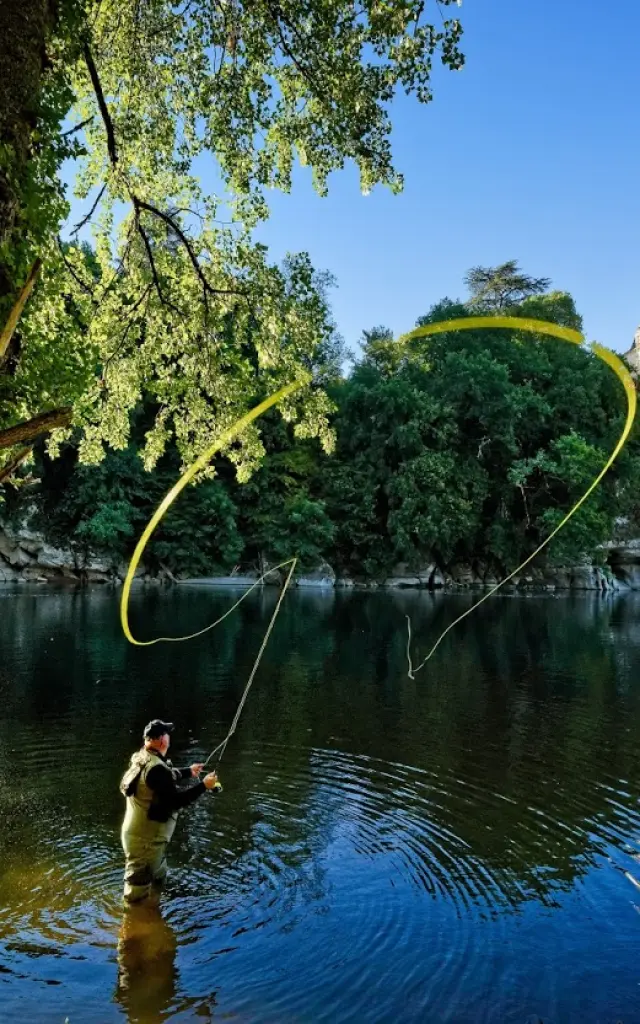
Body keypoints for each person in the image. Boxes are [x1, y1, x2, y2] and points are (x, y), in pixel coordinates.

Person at [120, 719, 219, 903]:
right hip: (145, 842)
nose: (169, 736)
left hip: (141, 837)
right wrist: (203, 786)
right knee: (135, 896)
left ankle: (155, 909)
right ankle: (132, 927)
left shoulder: (143, 757)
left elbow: (165, 776)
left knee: (159, 876)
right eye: (167, 733)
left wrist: (189, 771)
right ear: (160, 740)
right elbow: (175, 801)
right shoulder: (156, 769)